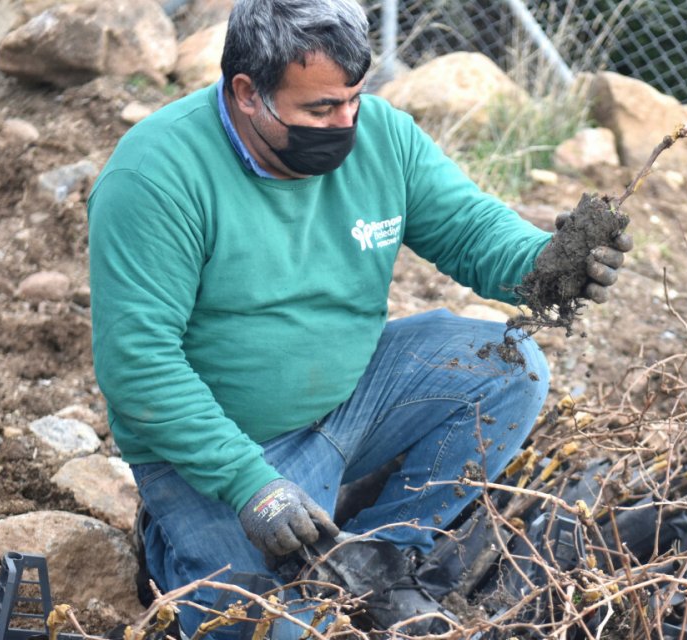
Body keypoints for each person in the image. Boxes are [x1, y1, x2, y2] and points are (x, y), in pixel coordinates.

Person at [87, 0, 631, 636]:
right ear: (246, 93)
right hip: (212, 451)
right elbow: (138, 364)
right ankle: (171, 546)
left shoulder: (381, 137)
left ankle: (377, 559)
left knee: (510, 369)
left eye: (354, 98)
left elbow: (467, 228)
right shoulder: (156, 175)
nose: (346, 123)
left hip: (349, 404)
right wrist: (250, 485)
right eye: (320, 109)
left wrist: (543, 265)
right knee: (264, 625)